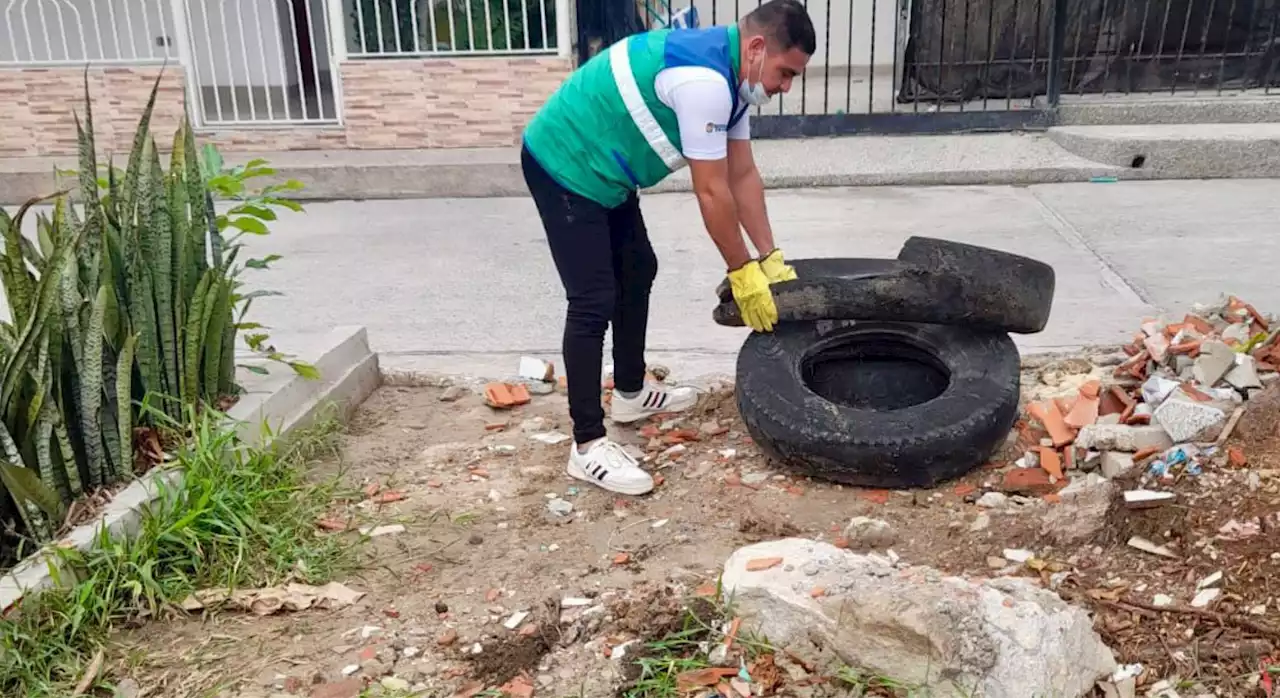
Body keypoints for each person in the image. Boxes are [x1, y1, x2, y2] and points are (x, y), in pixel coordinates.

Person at [520, 0, 816, 495]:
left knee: (638, 268)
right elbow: (712, 191)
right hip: (564, 163)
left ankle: (631, 393)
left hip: (606, 173)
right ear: (758, 47)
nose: (785, 87)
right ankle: (588, 445)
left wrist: (771, 257)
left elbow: (742, 175)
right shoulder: (703, 82)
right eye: (786, 73)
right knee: (593, 299)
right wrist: (742, 272)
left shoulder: (732, 83)